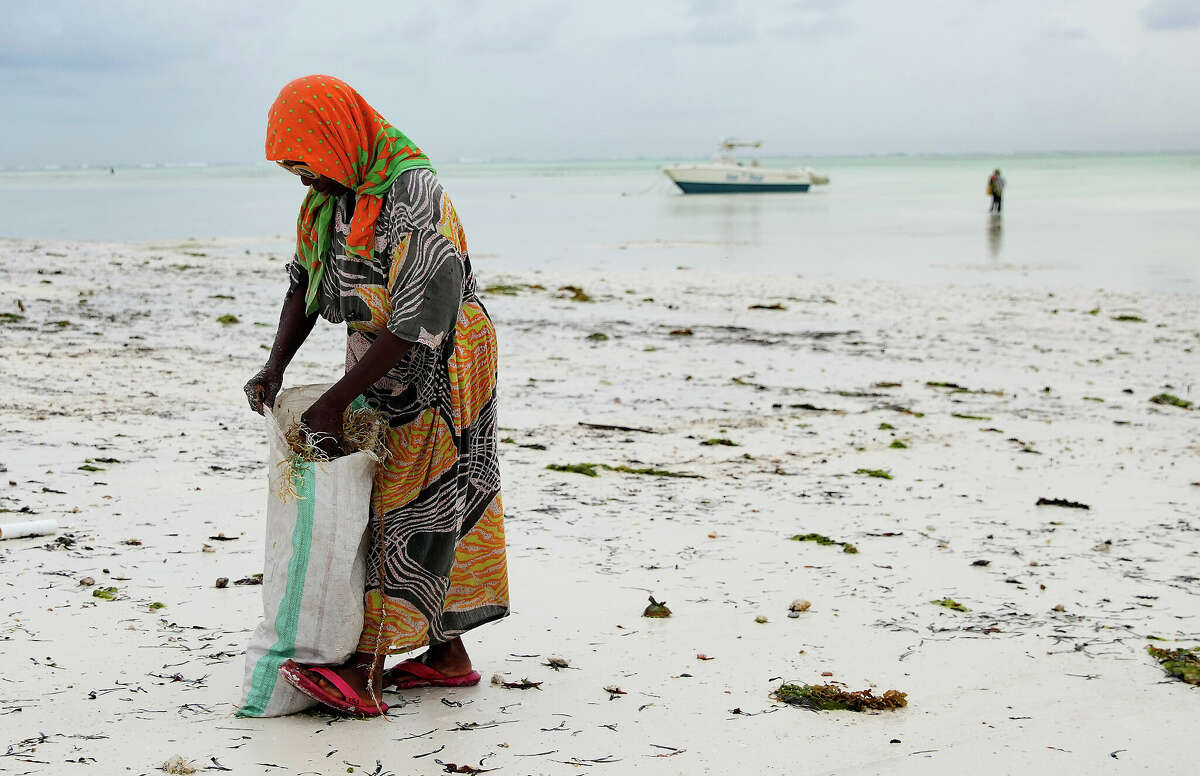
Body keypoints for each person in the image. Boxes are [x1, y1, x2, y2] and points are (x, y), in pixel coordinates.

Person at [244, 75, 509, 716]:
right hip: (378, 352)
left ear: (338, 140)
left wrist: (336, 400)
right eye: (294, 172)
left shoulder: (412, 193)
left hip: (441, 356)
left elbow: (424, 317)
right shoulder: (333, 198)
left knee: (410, 496)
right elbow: (304, 282)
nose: (304, 183)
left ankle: (365, 671)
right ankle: (446, 658)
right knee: (415, 492)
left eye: (308, 168)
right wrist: (276, 367)